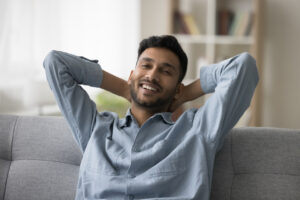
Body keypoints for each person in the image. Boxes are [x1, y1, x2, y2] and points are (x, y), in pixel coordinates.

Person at [43, 35, 258, 200]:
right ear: (131, 75)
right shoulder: (95, 129)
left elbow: (243, 67)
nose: (153, 75)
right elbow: (56, 63)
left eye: (166, 71)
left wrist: (185, 94)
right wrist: (124, 88)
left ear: (177, 89)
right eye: (146, 66)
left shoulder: (197, 130)